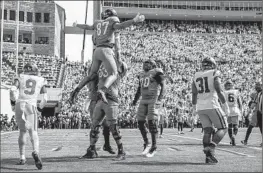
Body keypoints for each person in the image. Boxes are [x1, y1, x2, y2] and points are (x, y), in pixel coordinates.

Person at [70, 8, 145, 104]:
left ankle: (76, 90)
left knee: (91, 75)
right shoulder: (112, 21)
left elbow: (87, 26)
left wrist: (77, 25)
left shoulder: (98, 23)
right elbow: (121, 26)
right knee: (114, 74)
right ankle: (102, 91)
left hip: (97, 51)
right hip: (106, 50)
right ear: (112, 15)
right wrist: (133, 21)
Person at [80, 59, 128, 160]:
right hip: (100, 100)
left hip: (111, 100)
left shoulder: (116, 73)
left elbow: (122, 64)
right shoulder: (103, 71)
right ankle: (92, 150)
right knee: (94, 125)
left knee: (113, 126)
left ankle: (121, 151)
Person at [9, 63, 47, 170]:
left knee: (22, 132)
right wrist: (39, 108)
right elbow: (45, 98)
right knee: (33, 131)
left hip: (19, 105)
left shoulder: (20, 77)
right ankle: (35, 151)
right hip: (31, 105)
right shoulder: (40, 79)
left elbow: (12, 90)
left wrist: (13, 104)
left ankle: (22, 157)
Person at [192, 57, 229, 164]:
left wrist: (194, 108)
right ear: (212, 64)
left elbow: (194, 93)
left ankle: (208, 157)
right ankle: (211, 147)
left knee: (208, 130)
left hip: (200, 106)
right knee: (223, 127)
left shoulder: (196, 74)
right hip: (212, 105)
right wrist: (225, 104)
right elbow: (218, 89)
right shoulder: (214, 72)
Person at [132, 59, 166, 158]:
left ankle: (154, 147)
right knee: (140, 122)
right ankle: (147, 143)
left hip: (153, 99)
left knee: (152, 123)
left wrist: (160, 98)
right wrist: (135, 100)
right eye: (144, 63)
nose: (145, 65)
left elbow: (164, 86)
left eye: (148, 63)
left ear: (153, 65)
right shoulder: (141, 74)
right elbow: (139, 88)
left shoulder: (157, 72)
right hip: (143, 99)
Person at [224, 80, 243, 146]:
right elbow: (240, 102)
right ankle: (234, 135)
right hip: (234, 109)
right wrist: (241, 110)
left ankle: (231, 139)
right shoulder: (236, 91)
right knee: (236, 125)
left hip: (227, 110)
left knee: (229, 125)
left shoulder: (224, 92)